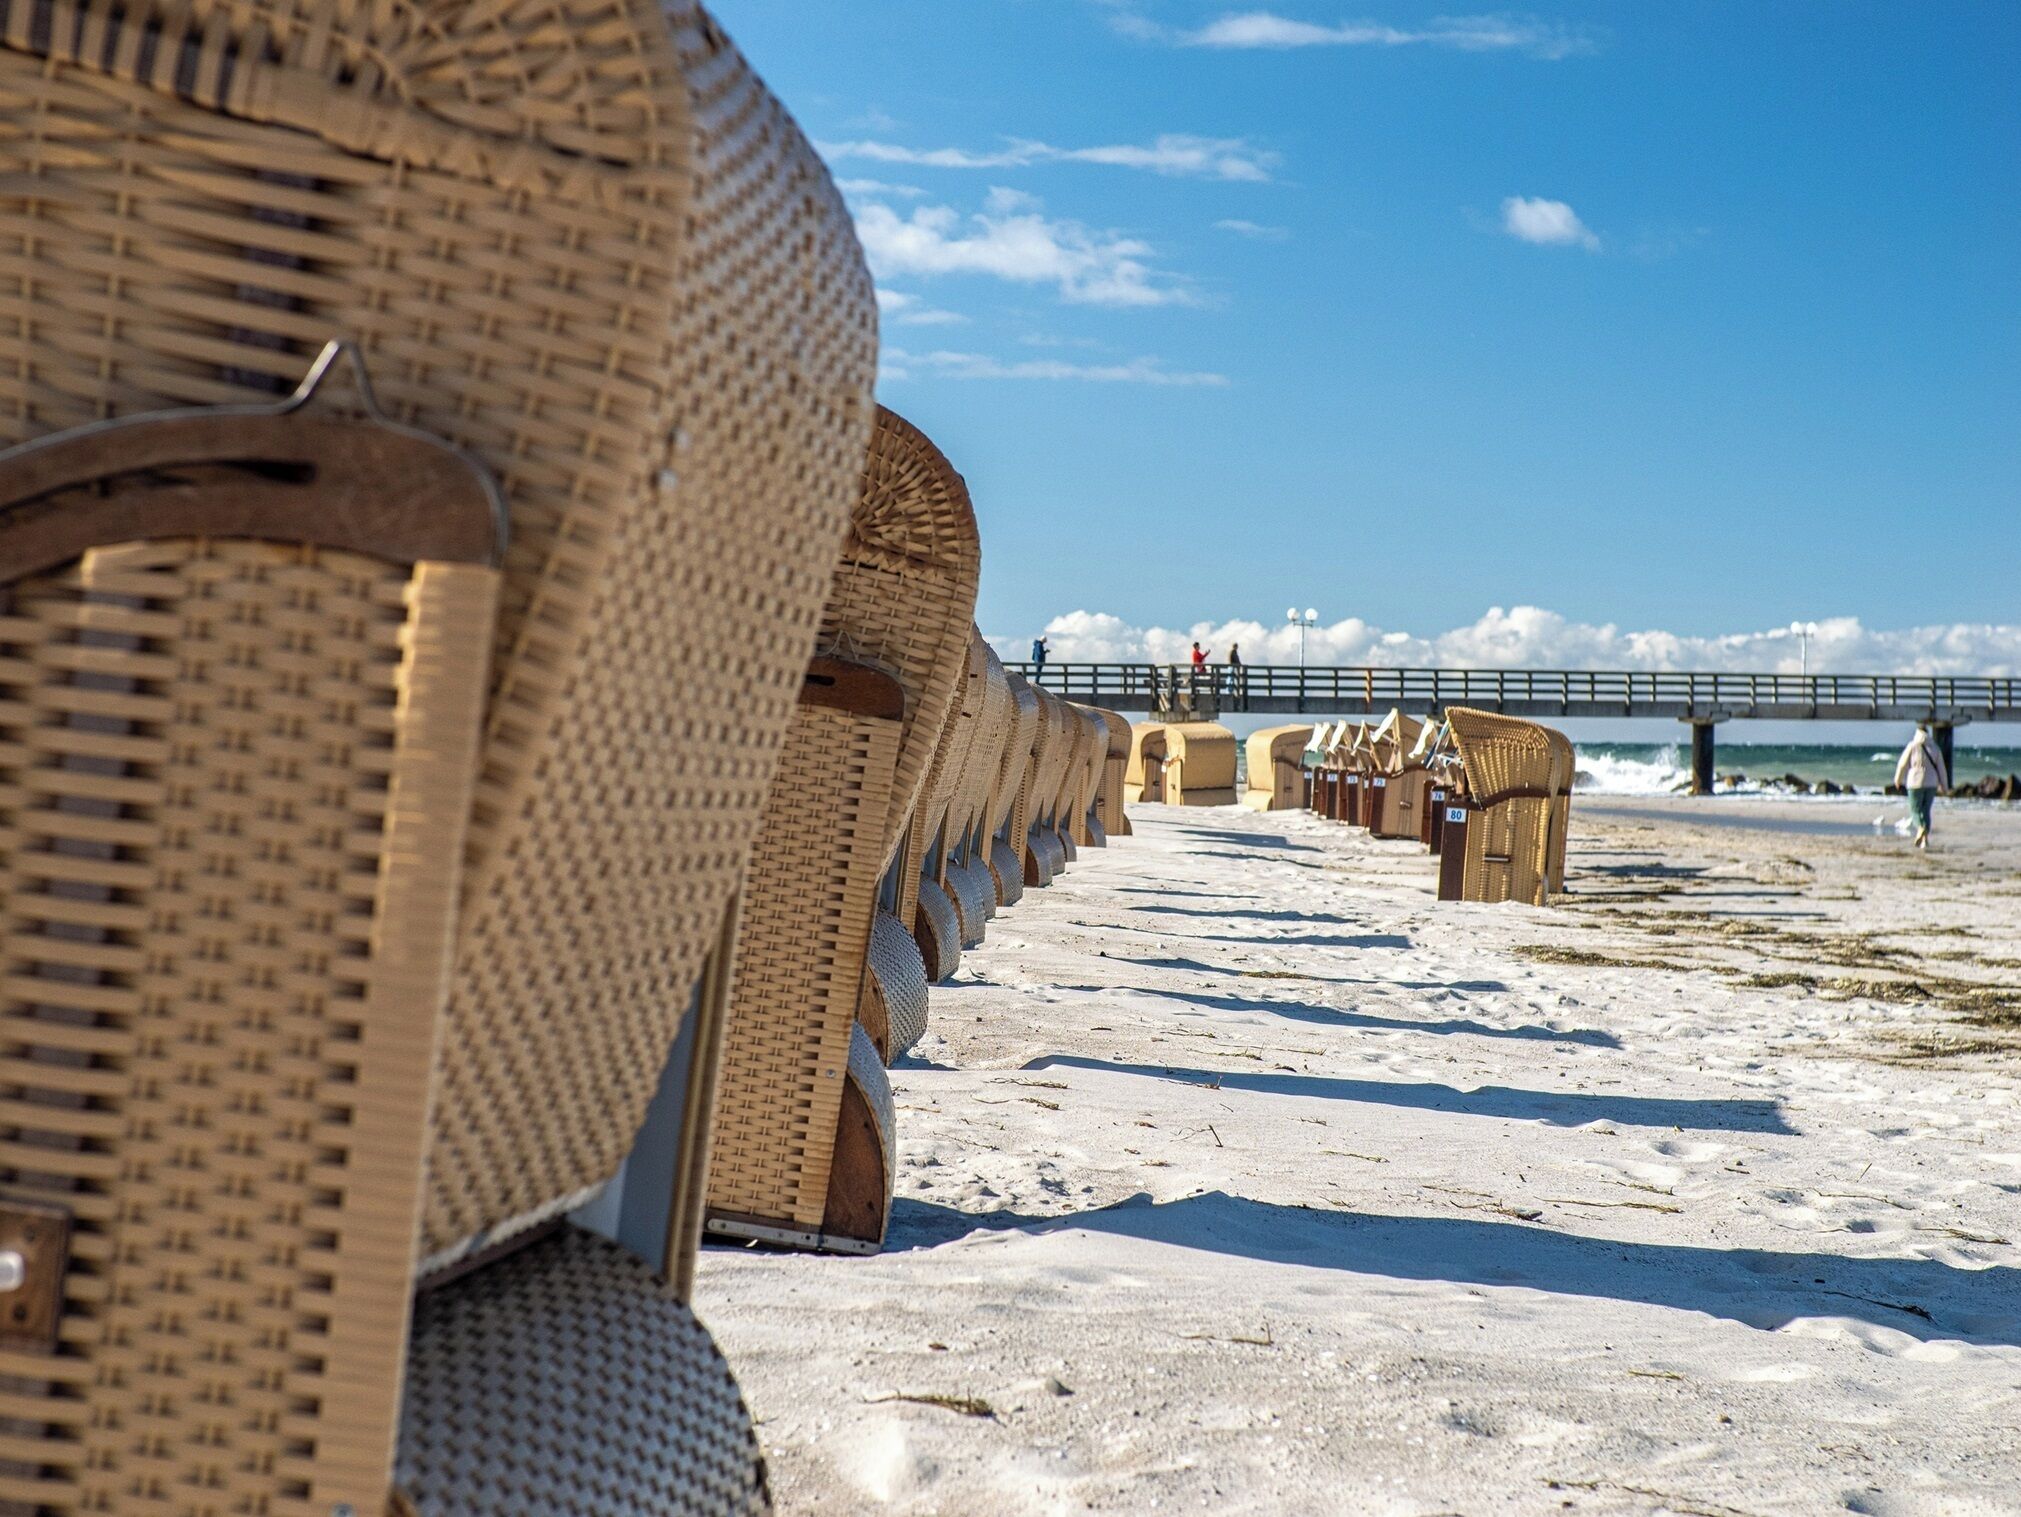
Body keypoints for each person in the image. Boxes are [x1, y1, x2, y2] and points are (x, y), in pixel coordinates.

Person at [1893, 722, 1949, 849]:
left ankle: (1920, 829)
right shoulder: (1935, 748)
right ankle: (1925, 840)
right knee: (1926, 811)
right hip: (1931, 783)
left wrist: (1898, 779)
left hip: (1915, 783)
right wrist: (1944, 786)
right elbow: (1942, 769)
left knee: (1915, 810)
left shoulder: (1912, 746)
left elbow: (1902, 764)